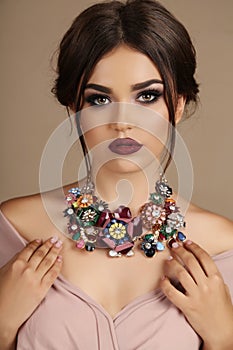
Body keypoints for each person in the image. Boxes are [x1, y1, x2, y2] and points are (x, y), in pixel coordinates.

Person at [0, 0, 233, 349]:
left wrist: (223, 337)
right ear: (73, 109)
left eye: (147, 96)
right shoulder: (15, 229)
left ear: (179, 105)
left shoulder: (222, 247)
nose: (123, 121)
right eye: (99, 99)